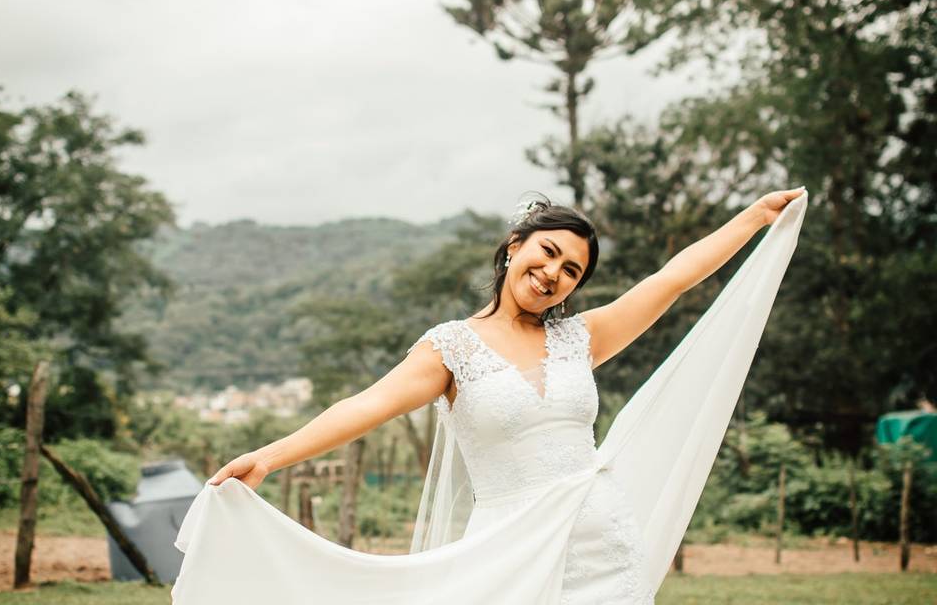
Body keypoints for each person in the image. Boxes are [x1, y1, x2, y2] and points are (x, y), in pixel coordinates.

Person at [174, 187, 808, 604]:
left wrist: (753, 218)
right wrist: (271, 457)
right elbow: (364, 406)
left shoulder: (581, 338)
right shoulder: (452, 349)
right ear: (515, 249)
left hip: (605, 548)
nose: (554, 273)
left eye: (572, 271)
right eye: (548, 253)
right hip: (508, 551)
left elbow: (672, 279)